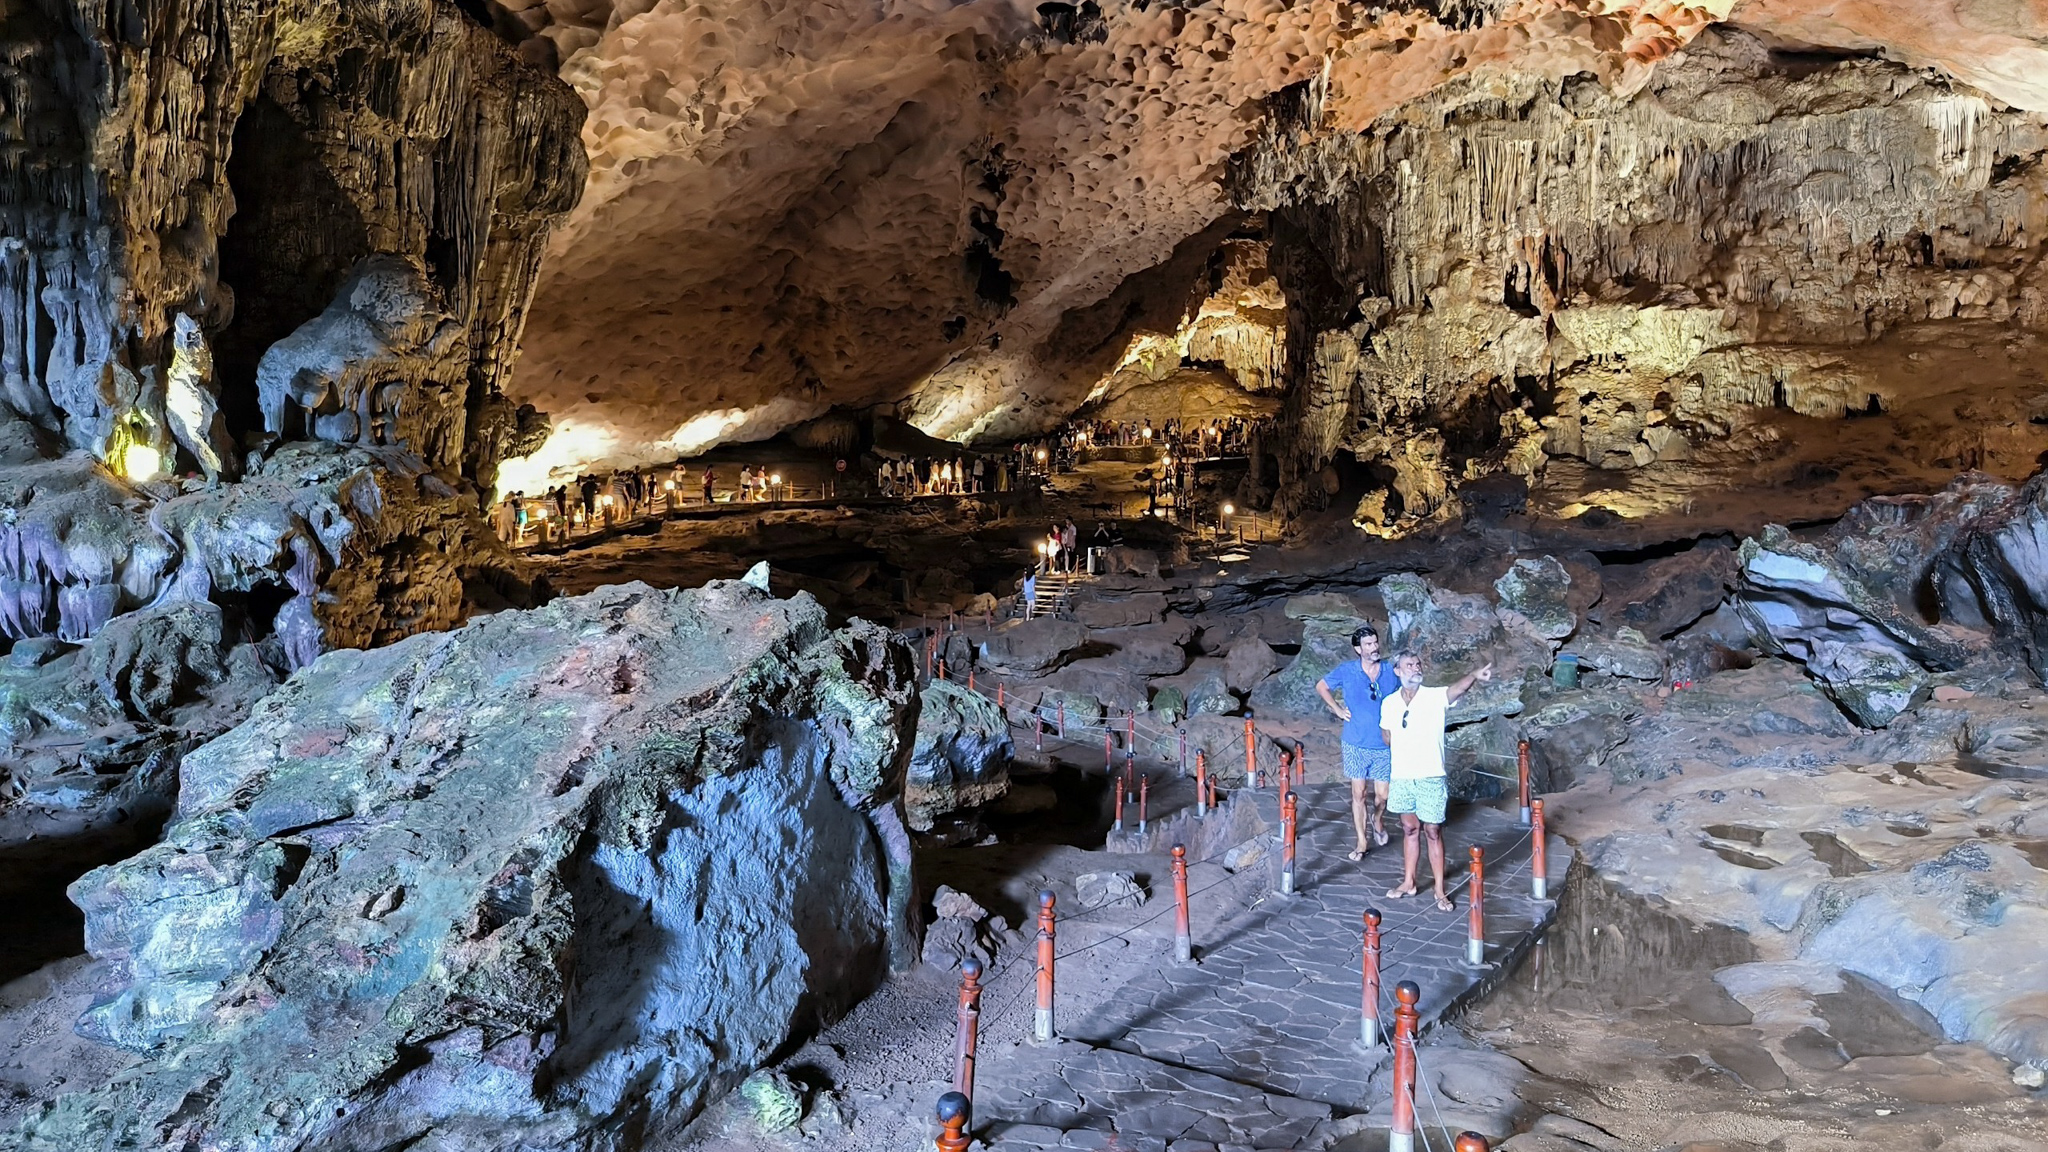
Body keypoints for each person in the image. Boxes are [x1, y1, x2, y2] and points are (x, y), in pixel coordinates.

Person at [1379, 652, 1492, 912]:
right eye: (1409, 665)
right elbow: (1386, 733)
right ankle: (1409, 882)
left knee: (1432, 831)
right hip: (1402, 775)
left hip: (1430, 775)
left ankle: (1440, 889)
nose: (1415, 668)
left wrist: (1474, 675)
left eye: (1417, 663)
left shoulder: (1433, 697)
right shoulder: (1390, 703)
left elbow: (1456, 689)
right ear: (1397, 671)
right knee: (1409, 828)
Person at [1316, 625, 1402, 861]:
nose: (1374, 647)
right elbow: (1321, 686)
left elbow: (1405, 695)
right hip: (1355, 742)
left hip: (1383, 742)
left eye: (1375, 643)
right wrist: (1336, 709)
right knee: (1359, 793)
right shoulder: (1347, 671)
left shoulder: (1389, 671)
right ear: (1358, 649)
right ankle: (1362, 842)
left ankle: (1377, 819)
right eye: (1368, 644)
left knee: (1382, 795)